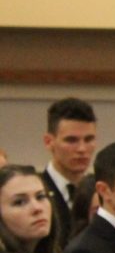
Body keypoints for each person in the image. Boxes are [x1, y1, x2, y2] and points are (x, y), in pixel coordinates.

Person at [42, 97, 97, 244]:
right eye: (71, 140)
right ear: (49, 142)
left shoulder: (102, 191)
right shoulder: (37, 190)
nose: (82, 149)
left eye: (89, 139)